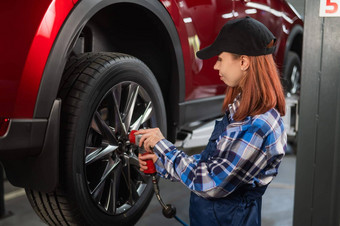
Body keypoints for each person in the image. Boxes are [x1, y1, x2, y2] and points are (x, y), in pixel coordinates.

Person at [136, 16, 287, 226]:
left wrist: (163, 146)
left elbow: (211, 183)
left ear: (243, 62)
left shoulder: (258, 126)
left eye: (220, 59)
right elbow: (215, 163)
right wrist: (161, 162)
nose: (216, 66)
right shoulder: (242, 109)